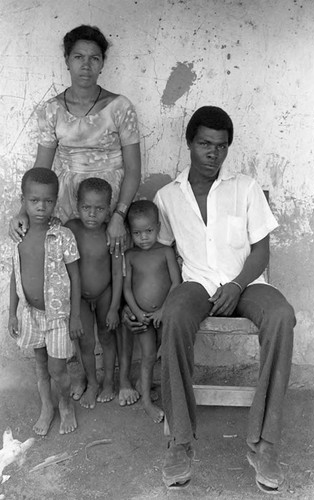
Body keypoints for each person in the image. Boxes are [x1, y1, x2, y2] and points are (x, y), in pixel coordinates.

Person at [125, 106, 296, 493]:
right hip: (197, 284)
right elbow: (159, 255)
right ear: (189, 144)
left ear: (228, 148)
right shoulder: (168, 197)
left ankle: (264, 443)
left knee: (283, 316)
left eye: (221, 146)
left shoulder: (245, 187)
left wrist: (236, 285)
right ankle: (180, 443)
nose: (213, 153)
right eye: (205, 143)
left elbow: (261, 251)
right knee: (176, 316)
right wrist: (144, 303)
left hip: (247, 284)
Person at [9, 24, 141, 406]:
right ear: (67, 61)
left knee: (115, 289)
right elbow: (42, 168)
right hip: (69, 210)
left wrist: (119, 213)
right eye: (78, 57)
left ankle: (122, 377)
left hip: (110, 207)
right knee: (72, 293)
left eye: (94, 58)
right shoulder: (51, 110)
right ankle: (81, 374)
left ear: (103, 64)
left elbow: (133, 170)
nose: (86, 65)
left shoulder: (120, 107)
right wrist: (23, 211)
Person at [8, 168, 83, 436]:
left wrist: (75, 316)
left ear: (56, 200)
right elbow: (15, 275)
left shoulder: (63, 236)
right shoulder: (19, 235)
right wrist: (12, 314)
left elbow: (75, 276)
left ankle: (64, 402)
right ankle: (46, 406)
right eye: (34, 201)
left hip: (58, 317)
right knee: (40, 366)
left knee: (57, 368)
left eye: (48, 201)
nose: (41, 207)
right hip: (30, 314)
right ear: (23, 200)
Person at [65, 178, 123, 409]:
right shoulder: (70, 229)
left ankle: (108, 382)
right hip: (78, 296)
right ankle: (92, 383)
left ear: (108, 209)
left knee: (107, 337)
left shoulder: (112, 233)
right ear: (77, 205)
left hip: (105, 294)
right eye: (86, 208)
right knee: (86, 342)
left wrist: (114, 308)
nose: (92, 214)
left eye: (99, 209)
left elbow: (118, 274)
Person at [123, 200, 181, 423]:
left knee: (165, 354)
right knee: (147, 357)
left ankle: (167, 395)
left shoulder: (166, 252)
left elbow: (176, 283)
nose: (144, 237)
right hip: (143, 318)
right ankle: (147, 402)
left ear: (158, 227)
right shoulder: (130, 256)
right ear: (130, 232)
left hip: (165, 315)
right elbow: (127, 289)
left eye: (148, 231)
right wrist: (137, 312)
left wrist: (164, 310)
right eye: (137, 233)